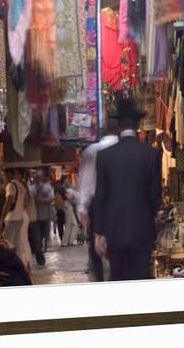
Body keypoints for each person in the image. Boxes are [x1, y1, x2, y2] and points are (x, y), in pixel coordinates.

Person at [93, 98, 161, 281]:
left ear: (119, 125)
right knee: (141, 280)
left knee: (119, 280)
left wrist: (99, 232)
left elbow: (101, 197)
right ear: (138, 124)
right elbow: (155, 198)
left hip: (115, 233)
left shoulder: (105, 156)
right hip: (142, 233)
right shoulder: (151, 154)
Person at [77, 117, 119, 281]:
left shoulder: (92, 150)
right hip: (118, 202)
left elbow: (86, 182)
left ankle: (100, 281)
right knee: (116, 243)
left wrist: (82, 208)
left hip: (97, 205)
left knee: (96, 248)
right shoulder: (122, 148)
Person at [0, 168, 33, 275]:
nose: (3, 177)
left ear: (9, 175)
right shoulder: (21, 185)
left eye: (4, 175)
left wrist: (1, 219)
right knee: (17, 245)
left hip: (11, 218)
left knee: (6, 245)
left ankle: (8, 269)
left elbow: (8, 201)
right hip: (19, 218)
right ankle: (20, 268)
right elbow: (25, 202)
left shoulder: (11, 185)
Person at [29, 169, 54, 252]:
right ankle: (39, 248)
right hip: (35, 216)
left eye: (40, 176)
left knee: (46, 232)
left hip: (46, 214)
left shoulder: (48, 187)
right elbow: (30, 200)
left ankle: (45, 247)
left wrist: (38, 200)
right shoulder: (31, 188)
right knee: (37, 235)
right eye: (37, 177)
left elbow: (50, 199)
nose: (38, 178)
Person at [60, 176, 79, 246]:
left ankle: (71, 240)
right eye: (67, 179)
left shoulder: (64, 188)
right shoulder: (62, 188)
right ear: (64, 180)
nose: (68, 181)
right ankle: (64, 242)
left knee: (75, 224)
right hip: (67, 207)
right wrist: (74, 195)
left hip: (69, 207)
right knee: (68, 224)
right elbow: (69, 198)